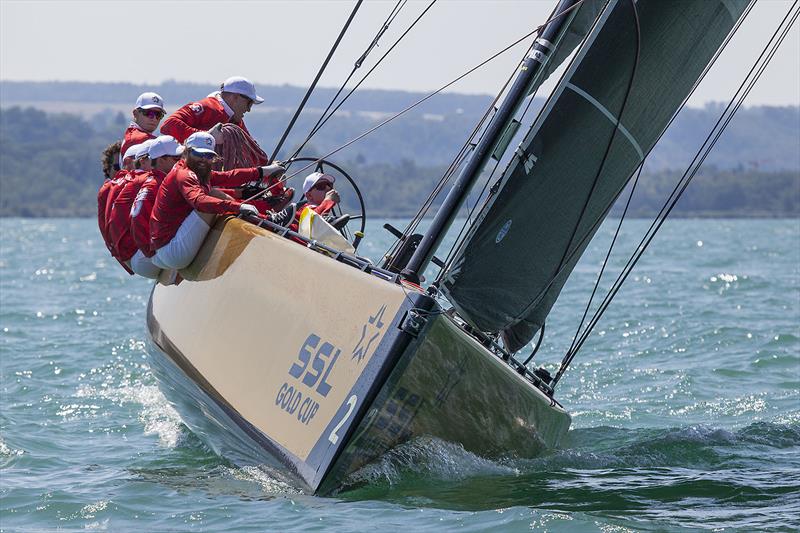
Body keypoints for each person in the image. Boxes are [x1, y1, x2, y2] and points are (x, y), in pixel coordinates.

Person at [149, 132, 284, 271]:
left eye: (208, 156)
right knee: (213, 196)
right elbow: (199, 202)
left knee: (214, 193)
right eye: (199, 154)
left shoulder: (193, 169)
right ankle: (268, 222)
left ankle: (266, 220)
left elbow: (227, 177)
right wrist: (239, 207)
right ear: (187, 152)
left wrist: (263, 171)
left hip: (166, 250)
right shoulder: (184, 174)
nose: (203, 159)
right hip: (172, 251)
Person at [107, 136, 179, 276]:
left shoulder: (131, 180)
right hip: (141, 255)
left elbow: (107, 224)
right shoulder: (150, 181)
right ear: (143, 161)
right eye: (175, 158)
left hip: (131, 255)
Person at [160, 76, 263, 144]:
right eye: (249, 103)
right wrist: (207, 136)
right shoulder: (206, 107)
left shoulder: (236, 121)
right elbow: (168, 125)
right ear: (235, 97)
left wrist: (269, 170)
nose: (249, 109)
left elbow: (251, 149)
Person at [120, 92, 166, 160]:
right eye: (148, 113)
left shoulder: (133, 135)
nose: (154, 118)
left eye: (158, 115)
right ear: (135, 114)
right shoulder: (137, 139)